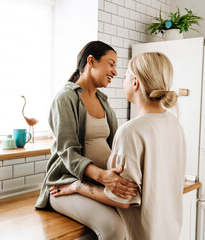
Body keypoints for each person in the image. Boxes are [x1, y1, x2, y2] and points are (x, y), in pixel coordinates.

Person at [50, 52, 187, 240]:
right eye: (112, 65)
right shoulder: (175, 125)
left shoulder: (131, 131)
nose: (116, 75)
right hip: (170, 232)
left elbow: (123, 200)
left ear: (135, 83)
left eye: (124, 76)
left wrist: (77, 186)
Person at [35, 41, 138, 240]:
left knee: (133, 218)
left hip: (96, 185)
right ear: (91, 61)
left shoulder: (104, 101)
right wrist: (103, 177)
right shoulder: (65, 98)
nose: (115, 72)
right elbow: (68, 152)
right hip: (65, 186)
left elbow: (116, 146)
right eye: (111, 64)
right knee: (114, 229)